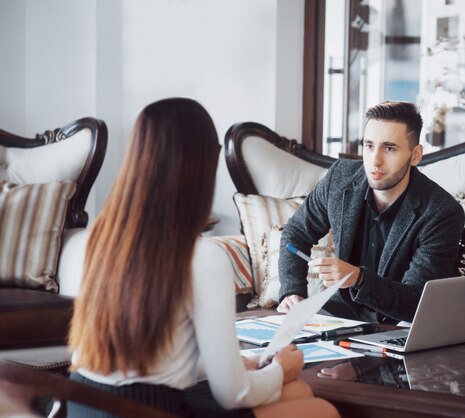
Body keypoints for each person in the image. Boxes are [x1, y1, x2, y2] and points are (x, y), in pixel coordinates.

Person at [68, 98, 339, 418]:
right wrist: (280, 369)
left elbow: (156, 354)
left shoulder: (102, 237)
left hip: (85, 402)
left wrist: (238, 365)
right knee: (319, 408)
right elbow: (232, 395)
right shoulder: (202, 258)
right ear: (201, 166)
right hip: (151, 408)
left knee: (297, 392)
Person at [277, 101, 464, 323]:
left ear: (415, 155)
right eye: (369, 146)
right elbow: (296, 233)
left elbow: (418, 301)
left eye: (389, 148)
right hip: (338, 317)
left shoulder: (441, 212)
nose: (375, 161)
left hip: (399, 328)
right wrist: (292, 292)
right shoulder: (339, 178)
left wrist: (358, 278)